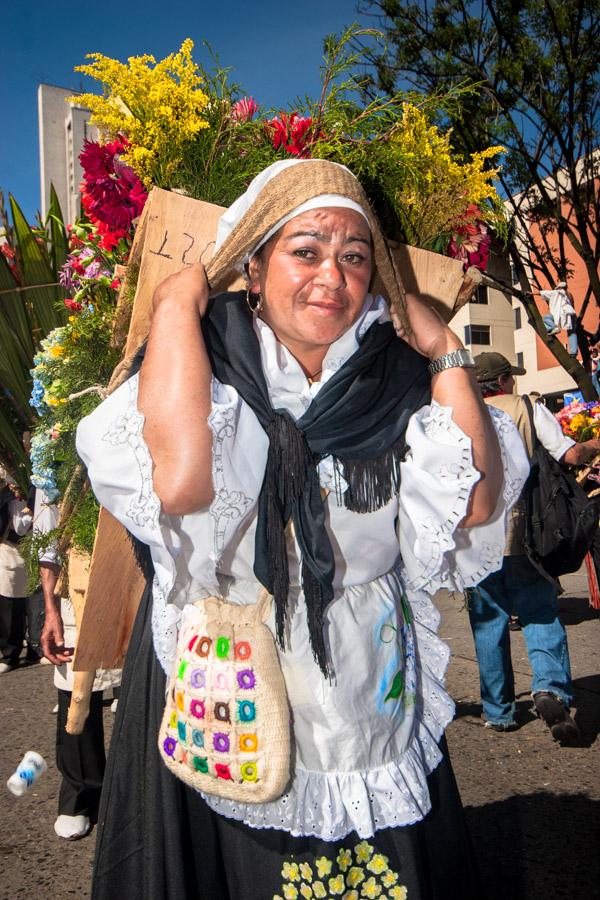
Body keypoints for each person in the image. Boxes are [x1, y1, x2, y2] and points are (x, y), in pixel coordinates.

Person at [76, 159, 528, 900]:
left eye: (355, 255)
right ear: (253, 268)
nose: (333, 274)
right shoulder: (209, 359)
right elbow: (182, 481)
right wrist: (173, 304)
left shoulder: (397, 376)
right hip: (232, 678)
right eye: (306, 249)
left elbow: (476, 502)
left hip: (361, 680)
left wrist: (442, 348)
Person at [469, 351, 600, 744]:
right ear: (505, 380)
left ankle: (499, 712)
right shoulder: (528, 407)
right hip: (525, 532)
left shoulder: (455, 412)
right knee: (540, 612)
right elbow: (569, 454)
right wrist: (594, 442)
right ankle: (550, 690)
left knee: (488, 624)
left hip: (474, 540)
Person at [36, 490, 121, 840]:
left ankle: (136, 792)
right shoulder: (58, 446)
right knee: (77, 690)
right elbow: (50, 538)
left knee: (146, 692)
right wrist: (51, 609)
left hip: (138, 582)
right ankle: (80, 796)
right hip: (79, 583)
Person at [0, 469, 37, 672]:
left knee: (35, 598)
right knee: (9, 599)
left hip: (34, 542)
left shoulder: (33, 471)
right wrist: (8, 490)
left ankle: (36, 647)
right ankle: (10, 653)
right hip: (8, 545)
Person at [540, 281, 578, 356]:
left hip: (563, 313)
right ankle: (573, 352)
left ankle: (553, 327)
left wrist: (531, 293)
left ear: (560, 288)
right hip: (571, 314)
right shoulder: (569, 295)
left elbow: (543, 293)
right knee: (572, 333)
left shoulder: (557, 292)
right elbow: (572, 305)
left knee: (546, 318)